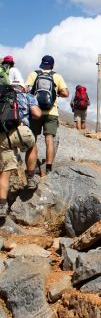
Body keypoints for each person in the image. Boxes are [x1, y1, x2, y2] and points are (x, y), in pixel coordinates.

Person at [0, 77, 42, 218]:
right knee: (32, 145)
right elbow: (37, 114)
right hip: (20, 131)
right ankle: (30, 177)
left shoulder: (2, 96)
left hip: (2, 136)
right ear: (22, 87)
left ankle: (1, 205)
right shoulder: (27, 96)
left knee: (4, 171)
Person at [25, 55, 68, 175]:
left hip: (35, 112)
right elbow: (66, 93)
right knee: (49, 140)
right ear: (52, 65)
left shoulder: (34, 74)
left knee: (33, 139)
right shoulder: (56, 76)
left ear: (41, 64)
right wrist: (57, 92)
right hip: (51, 112)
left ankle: (31, 170)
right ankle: (48, 167)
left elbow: (25, 89)